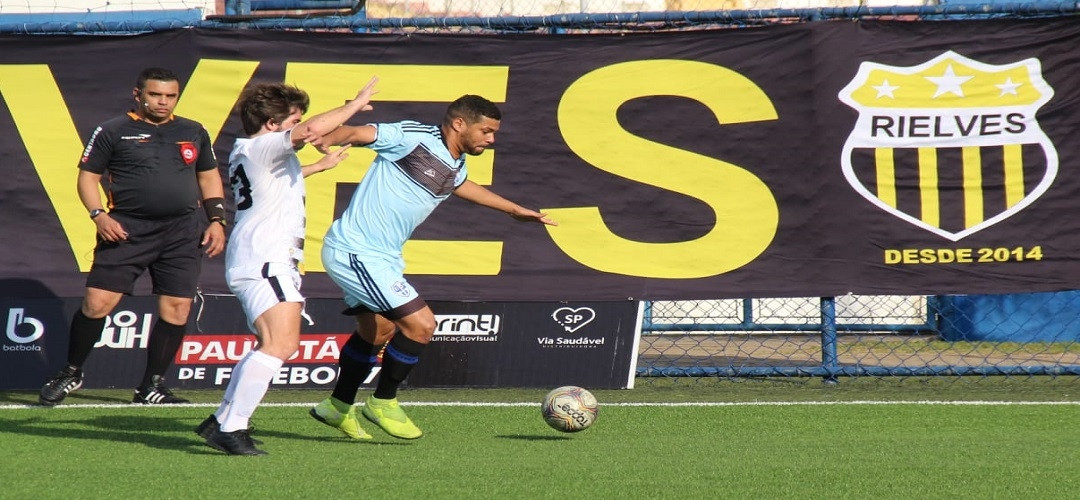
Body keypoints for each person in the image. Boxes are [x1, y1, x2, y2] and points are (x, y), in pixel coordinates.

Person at [308, 95, 557, 440]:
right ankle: (383, 402)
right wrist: (330, 138)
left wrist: (515, 210)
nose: (491, 139)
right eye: (486, 131)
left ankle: (336, 406)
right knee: (421, 325)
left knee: (377, 332)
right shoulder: (412, 137)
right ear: (459, 124)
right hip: (356, 251)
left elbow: (460, 184)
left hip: (383, 257)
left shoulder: (456, 163)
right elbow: (357, 133)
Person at [195, 77, 379, 455]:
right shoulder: (263, 146)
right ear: (273, 124)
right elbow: (312, 130)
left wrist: (318, 167)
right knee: (282, 344)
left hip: (261, 256)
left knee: (269, 342)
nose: (301, 127)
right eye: (293, 120)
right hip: (265, 257)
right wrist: (355, 105)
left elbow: (274, 184)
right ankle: (231, 427)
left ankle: (221, 419)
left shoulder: (254, 151)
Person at [38, 67, 226, 407]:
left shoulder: (193, 131)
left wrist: (216, 220)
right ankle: (71, 372)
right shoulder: (112, 130)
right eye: (156, 95)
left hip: (182, 232)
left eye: (170, 96)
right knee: (97, 303)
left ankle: (151, 386)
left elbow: (209, 178)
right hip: (126, 230)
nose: (163, 102)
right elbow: (87, 178)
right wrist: (99, 216)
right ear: (137, 94)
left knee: (178, 308)